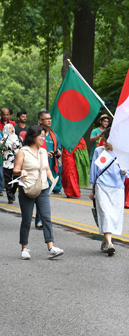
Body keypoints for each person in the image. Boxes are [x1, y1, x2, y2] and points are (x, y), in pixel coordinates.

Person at [13, 125, 64, 260]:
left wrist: (51, 177)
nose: (43, 138)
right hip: (27, 189)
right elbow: (15, 169)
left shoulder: (43, 152)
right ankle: (24, 248)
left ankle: (51, 247)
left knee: (46, 218)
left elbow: (45, 168)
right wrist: (21, 171)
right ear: (33, 136)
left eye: (44, 135)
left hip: (43, 188)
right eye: (41, 135)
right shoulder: (22, 152)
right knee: (26, 219)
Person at [89, 128, 129, 256]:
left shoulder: (122, 153)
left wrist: (123, 170)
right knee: (105, 213)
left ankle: (105, 240)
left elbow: (128, 173)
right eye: (104, 140)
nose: (105, 143)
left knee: (114, 215)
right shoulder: (98, 151)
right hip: (102, 186)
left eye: (108, 141)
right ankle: (110, 243)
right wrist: (93, 189)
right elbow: (94, 171)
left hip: (117, 187)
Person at [38, 110, 63, 194]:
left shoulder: (54, 135)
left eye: (50, 118)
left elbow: (58, 147)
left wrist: (59, 153)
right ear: (40, 121)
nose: (49, 120)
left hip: (51, 165)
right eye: (47, 119)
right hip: (40, 165)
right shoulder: (35, 133)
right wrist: (44, 154)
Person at [1, 124, 23, 203]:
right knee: (8, 181)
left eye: (12, 127)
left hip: (16, 162)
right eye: (9, 128)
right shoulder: (4, 139)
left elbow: (22, 148)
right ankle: (10, 197)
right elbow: (2, 148)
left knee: (16, 180)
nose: (11, 129)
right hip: (7, 162)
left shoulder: (18, 138)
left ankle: (12, 192)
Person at [1, 107, 16, 196]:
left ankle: (11, 191)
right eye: (4, 114)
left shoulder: (13, 124)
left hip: (14, 157)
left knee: (14, 176)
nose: (6, 116)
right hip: (4, 155)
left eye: (7, 114)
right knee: (3, 174)